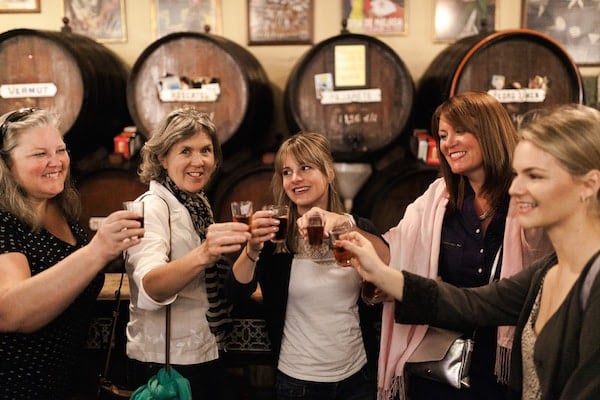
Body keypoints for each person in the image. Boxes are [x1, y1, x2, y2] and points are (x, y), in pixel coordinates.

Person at [341, 103, 600, 399]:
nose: (515, 189)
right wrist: (381, 273)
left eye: (535, 176)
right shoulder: (548, 271)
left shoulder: (592, 279)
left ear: (588, 185)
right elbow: (471, 303)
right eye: (517, 174)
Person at [226, 132, 389, 400]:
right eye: (287, 172)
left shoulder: (354, 226)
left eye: (305, 167)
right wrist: (252, 248)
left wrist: (343, 223)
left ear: (329, 173)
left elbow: (388, 262)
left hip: (358, 377)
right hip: (298, 382)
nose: (295, 178)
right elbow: (235, 293)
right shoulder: (275, 234)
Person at [0, 108, 144, 399]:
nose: (56, 162)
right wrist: (97, 252)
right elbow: (10, 313)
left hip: (65, 383)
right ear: (6, 164)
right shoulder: (4, 221)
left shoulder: (61, 212)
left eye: (60, 150)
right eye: (39, 154)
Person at [124, 108, 250, 399]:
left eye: (206, 150)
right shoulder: (151, 207)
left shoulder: (196, 203)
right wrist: (206, 253)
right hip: (166, 360)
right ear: (161, 158)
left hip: (203, 348)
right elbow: (150, 287)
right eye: (185, 151)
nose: (199, 161)